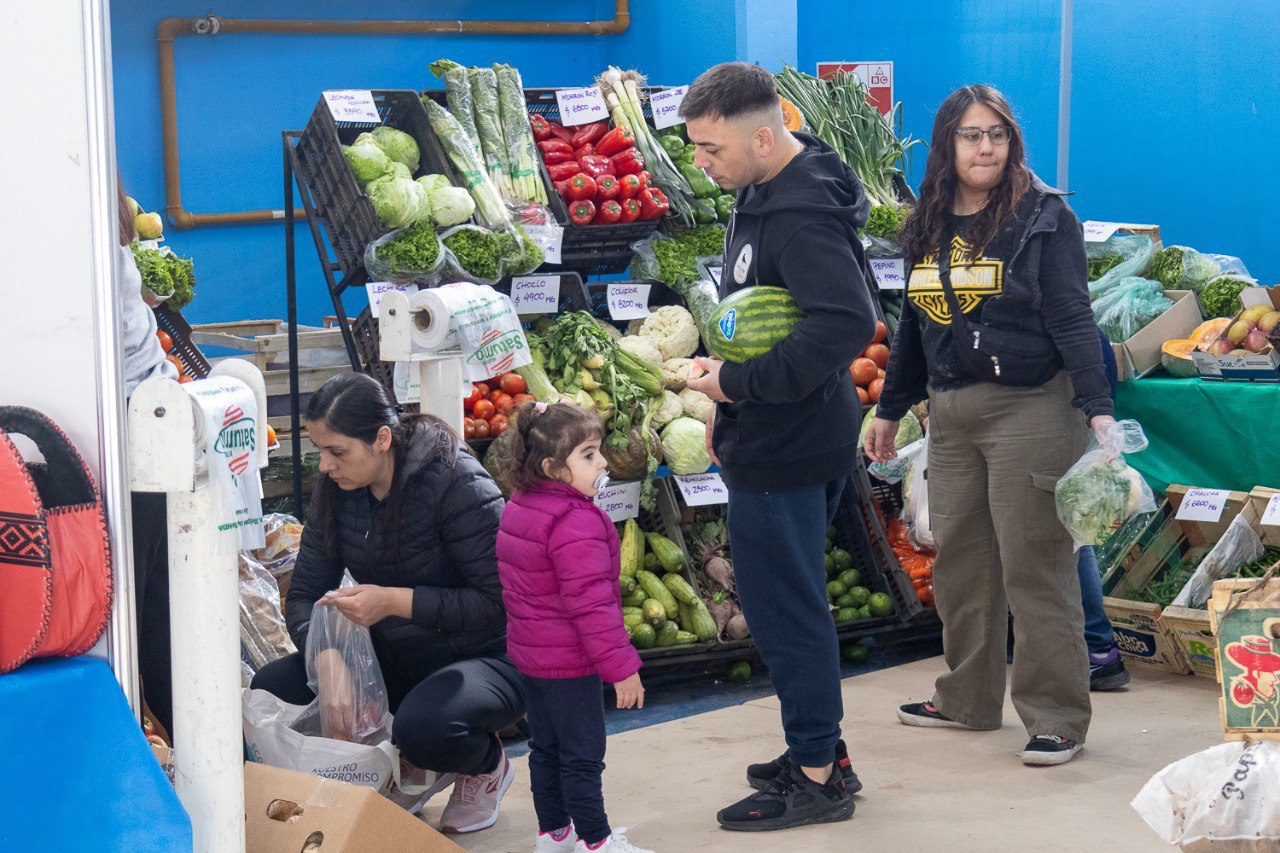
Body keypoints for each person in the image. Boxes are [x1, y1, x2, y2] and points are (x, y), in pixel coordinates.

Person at [865, 85, 1115, 767]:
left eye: (997, 135)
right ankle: (967, 698)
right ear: (948, 144)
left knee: (1036, 564)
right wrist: (890, 407)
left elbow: (1072, 317)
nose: (985, 148)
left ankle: (1057, 715)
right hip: (951, 411)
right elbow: (915, 322)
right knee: (964, 564)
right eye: (971, 135)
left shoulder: (1043, 218)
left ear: (1012, 142)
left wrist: (1099, 410)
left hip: (1033, 407)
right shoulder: (927, 220)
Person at [681, 62, 877, 831]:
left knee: (786, 611)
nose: (702, 162)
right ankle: (824, 746)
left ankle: (817, 776)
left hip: (790, 444)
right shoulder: (762, 190)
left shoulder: (802, 217)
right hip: (785, 431)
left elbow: (845, 324)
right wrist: (726, 395)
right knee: (789, 604)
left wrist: (737, 386)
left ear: (764, 136)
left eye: (711, 148)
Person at [251, 373, 524, 834]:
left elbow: (501, 603)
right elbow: (302, 595)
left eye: (337, 451)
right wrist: (328, 657)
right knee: (271, 686)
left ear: (381, 439)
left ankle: (484, 763)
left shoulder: (456, 481)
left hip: (488, 656)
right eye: (320, 450)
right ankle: (406, 763)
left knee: (425, 729)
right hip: (396, 654)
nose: (325, 466)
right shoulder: (336, 491)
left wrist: (396, 602)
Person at [496, 402, 652, 853]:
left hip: (531, 657)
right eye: (588, 455)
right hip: (570, 663)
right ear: (552, 468)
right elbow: (593, 605)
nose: (602, 462)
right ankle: (597, 842)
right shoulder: (575, 521)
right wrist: (621, 668)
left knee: (545, 749)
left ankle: (554, 834)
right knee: (583, 756)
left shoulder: (520, 505)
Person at [117, 176, 180, 738]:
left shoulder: (88, 255)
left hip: (133, 441)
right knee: (152, 611)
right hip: (152, 431)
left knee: (135, 616)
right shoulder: (114, 250)